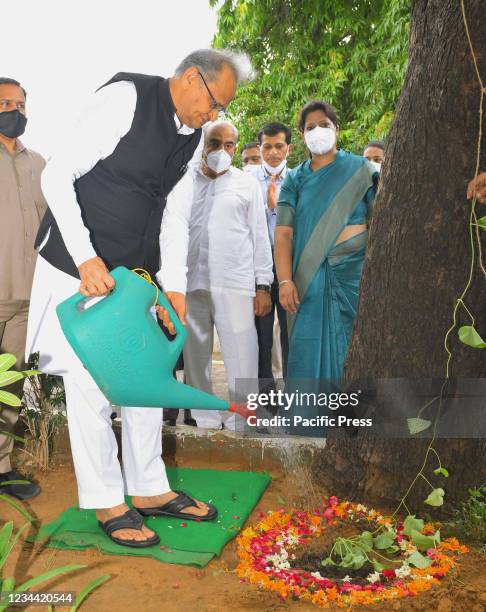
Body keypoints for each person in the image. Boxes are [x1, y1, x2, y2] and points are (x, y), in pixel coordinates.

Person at [26, 49, 251, 548]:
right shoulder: (126, 98)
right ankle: (108, 499)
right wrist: (86, 259)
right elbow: (55, 175)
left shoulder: (191, 135)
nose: (212, 116)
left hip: (134, 276)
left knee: (147, 373)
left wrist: (173, 283)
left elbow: (173, 212)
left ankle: (148, 488)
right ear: (192, 78)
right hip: (76, 267)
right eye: (213, 102)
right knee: (92, 382)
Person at [159, 120, 273, 430]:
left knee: (243, 355)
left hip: (236, 283)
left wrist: (263, 284)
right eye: (214, 143)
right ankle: (204, 418)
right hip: (192, 283)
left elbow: (260, 236)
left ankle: (243, 418)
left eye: (229, 145)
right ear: (203, 144)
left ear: (236, 149)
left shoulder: (246, 184)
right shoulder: (185, 181)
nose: (221, 151)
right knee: (196, 357)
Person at [275, 100, 378, 383]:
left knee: (355, 351)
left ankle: (353, 424)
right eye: (310, 127)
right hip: (308, 281)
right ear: (301, 135)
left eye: (324, 125)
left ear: (337, 129)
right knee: (308, 354)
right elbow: (283, 232)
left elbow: (379, 225)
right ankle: (309, 425)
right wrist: (284, 281)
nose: (317, 131)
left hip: (354, 277)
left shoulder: (362, 170)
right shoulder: (294, 179)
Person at [0, 77, 43, 500]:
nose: (15, 110)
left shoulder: (39, 163)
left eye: (20, 104)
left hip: (26, 297)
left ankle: (3, 467)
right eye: (5, 103)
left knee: (9, 384)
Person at [253, 122, 291, 392]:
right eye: (267, 146)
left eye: (279, 146)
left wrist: (277, 209)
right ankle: (265, 402)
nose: (273, 152)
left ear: (288, 148)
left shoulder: (299, 178)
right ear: (260, 148)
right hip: (260, 274)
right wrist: (268, 209)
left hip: (290, 270)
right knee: (261, 340)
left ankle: (295, 401)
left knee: (292, 340)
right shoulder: (247, 180)